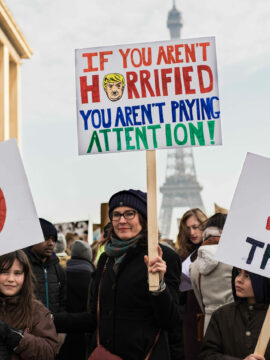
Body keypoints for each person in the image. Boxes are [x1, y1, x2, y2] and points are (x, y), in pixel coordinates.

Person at [54, 189, 183, 360]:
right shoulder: (106, 259)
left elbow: (170, 320)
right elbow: (95, 318)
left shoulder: (162, 257)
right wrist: (51, 320)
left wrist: (159, 285)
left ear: (143, 219)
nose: (122, 220)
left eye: (130, 214)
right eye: (116, 214)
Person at [200, 268, 270, 360]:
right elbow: (208, 355)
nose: (238, 280)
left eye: (248, 276)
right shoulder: (222, 315)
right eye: (238, 273)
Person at [0, 250, 58, 359]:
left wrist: (17, 339)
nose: (11, 279)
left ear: (25, 276)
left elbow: (49, 352)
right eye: (4, 272)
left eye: (17, 273)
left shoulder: (37, 311)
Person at [190, 213, 233, 336]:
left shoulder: (194, 266)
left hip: (209, 325)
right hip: (235, 323)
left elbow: (200, 300)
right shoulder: (234, 260)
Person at [176, 208, 207, 360]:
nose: (192, 232)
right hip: (190, 309)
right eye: (188, 228)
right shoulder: (183, 254)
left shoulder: (212, 250)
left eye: (195, 227)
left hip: (208, 308)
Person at [60, 240, 95, 360]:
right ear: (89, 256)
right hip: (85, 332)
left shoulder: (61, 273)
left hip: (63, 331)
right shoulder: (93, 277)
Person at [24, 218, 66, 314]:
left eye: (53, 239)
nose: (51, 243)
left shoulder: (58, 268)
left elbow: (63, 301)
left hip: (53, 326)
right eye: (46, 238)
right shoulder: (21, 266)